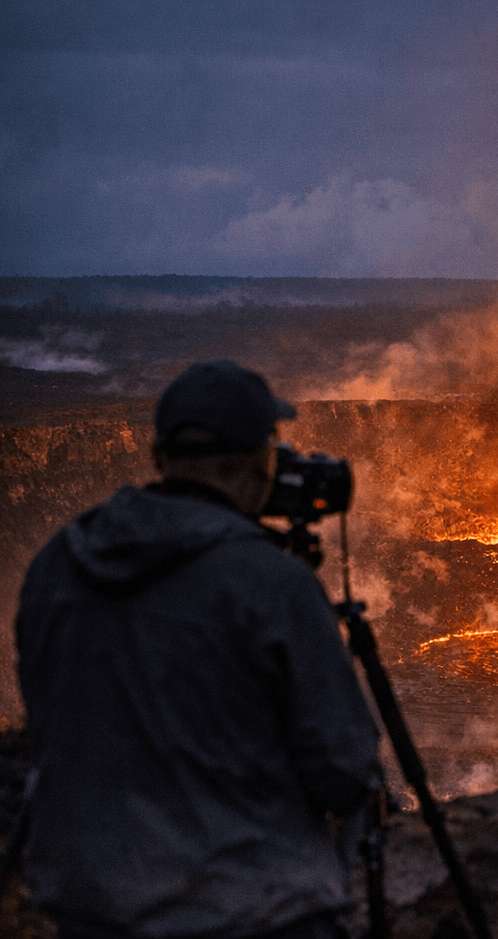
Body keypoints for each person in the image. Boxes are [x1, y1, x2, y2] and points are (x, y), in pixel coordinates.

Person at [16, 360, 380, 939]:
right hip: (249, 912)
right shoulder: (269, 583)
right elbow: (344, 766)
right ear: (264, 462)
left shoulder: (57, 564)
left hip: (89, 907)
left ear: (160, 457)